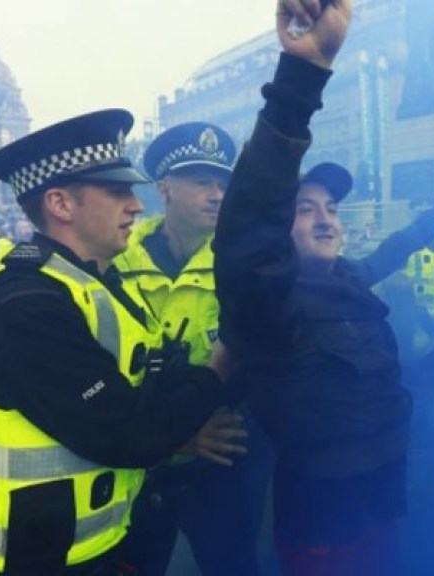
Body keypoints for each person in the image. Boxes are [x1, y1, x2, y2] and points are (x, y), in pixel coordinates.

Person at [213, 2, 434, 573]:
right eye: (305, 210)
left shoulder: (349, 279)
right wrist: (302, 75)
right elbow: (250, 230)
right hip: (322, 517)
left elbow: (388, 251)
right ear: (281, 230)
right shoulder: (270, 304)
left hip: (382, 495)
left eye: (331, 208)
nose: (327, 219)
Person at [0, 109, 241, 576]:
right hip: (26, 559)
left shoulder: (93, 284)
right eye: (117, 192)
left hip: (86, 545)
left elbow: (143, 383)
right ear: (61, 204)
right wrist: (217, 371)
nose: (135, 205)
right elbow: (129, 434)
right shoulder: (27, 307)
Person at [114, 122, 261, 576]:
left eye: (223, 184)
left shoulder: (244, 266)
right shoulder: (115, 265)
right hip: (139, 469)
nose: (217, 194)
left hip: (222, 462)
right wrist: (174, 438)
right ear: (164, 189)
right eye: (201, 183)